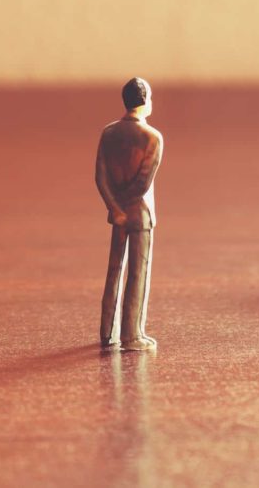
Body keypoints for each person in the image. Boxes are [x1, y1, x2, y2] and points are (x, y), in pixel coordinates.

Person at [95, 77, 163, 351]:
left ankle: (107, 330)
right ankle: (132, 335)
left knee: (114, 270)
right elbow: (143, 182)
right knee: (137, 273)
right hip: (138, 215)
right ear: (144, 100)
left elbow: (100, 177)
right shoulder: (152, 137)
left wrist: (114, 207)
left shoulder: (108, 133)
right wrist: (127, 208)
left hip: (119, 213)